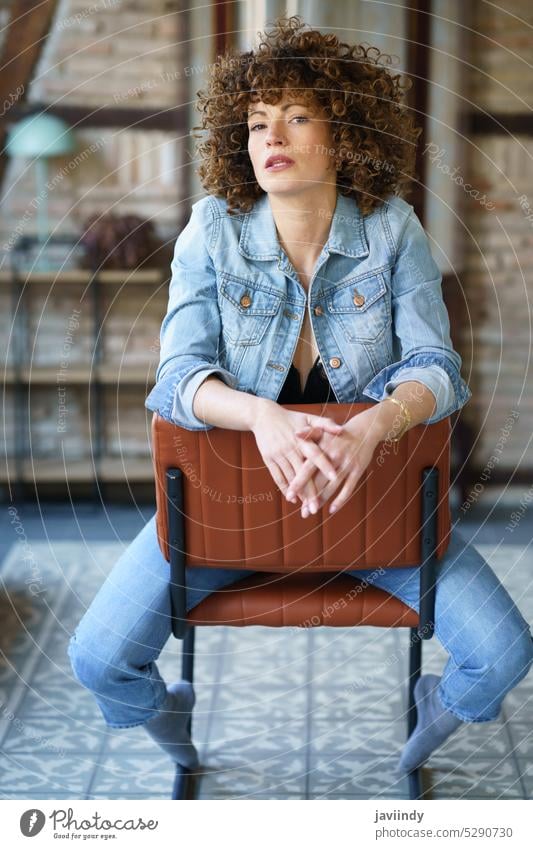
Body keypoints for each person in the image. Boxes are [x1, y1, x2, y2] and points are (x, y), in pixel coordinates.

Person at [68, 16, 533, 783]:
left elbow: (437, 366)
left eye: (296, 115)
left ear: (343, 131)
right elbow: (176, 375)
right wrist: (261, 415)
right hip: (227, 514)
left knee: (504, 652)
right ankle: (178, 740)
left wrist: (375, 423)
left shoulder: (391, 229)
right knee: (98, 658)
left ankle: (417, 744)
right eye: (255, 121)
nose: (269, 136)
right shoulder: (210, 231)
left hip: (378, 515)